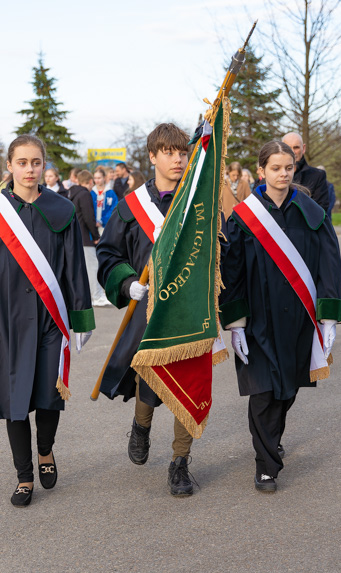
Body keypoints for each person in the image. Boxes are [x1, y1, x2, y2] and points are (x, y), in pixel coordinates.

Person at [0, 134, 95, 508]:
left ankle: (45, 451)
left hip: (51, 320)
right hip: (7, 322)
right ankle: (24, 476)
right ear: (10, 166)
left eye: (36, 162)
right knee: (14, 398)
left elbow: (74, 269)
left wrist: (81, 317)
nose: (30, 169)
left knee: (49, 395)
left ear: (44, 165)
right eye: (22, 162)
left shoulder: (62, 210)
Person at [220, 140, 341, 492]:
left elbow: (328, 263)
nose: (283, 174)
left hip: (297, 318)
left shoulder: (311, 211)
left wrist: (328, 315)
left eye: (288, 167)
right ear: (261, 171)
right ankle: (265, 464)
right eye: (275, 168)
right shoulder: (245, 216)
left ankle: (270, 439)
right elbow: (233, 271)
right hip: (258, 319)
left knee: (287, 390)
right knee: (263, 390)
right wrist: (236, 324)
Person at [96, 122, 198, 497]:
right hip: (147, 308)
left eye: (182, 152)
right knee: (149, 378)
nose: (177, 159)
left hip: (190, 308)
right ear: (152, 156)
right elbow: (109, 253)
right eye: (169, 152)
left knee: (188, 380)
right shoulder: (131, 206)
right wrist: (126, 282)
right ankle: (141, 425)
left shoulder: (197, 203)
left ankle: (180, 462)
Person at [68, 170, 107, 306]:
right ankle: (96, 296)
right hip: (86, 236)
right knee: (92, 266)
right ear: (90, 182)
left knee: (82, 268)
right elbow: (89, 217)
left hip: (75, 236)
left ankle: (90, 295)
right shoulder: (85, 194)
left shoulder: (71, 193)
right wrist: (96, 236)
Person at [281, 133, 329, 213]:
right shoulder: (271, 176)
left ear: (303, 148)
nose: (292, 152)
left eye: (296, 147)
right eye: (288, 148)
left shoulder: (318, 176)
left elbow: (321, 209)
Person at [91, 167, 118, 235]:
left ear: (104, 178)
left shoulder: (110, 193)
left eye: (99, 178)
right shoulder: (91, 192)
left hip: (106, 226)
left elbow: (114, 208)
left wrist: (102, 221)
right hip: (93, 226)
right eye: (95, 178)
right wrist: (93, 221)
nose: (97, 180)